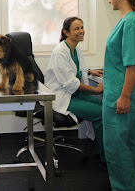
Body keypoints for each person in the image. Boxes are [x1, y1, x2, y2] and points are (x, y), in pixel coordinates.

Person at [103, 0, 135, 191]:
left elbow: (132, 65)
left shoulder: (130, 22)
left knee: (116, 148)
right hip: (122, 92)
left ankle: (125, 187)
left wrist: (125, 96)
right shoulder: (131, 19)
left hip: (120, 97)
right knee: (130, 143)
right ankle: (134, 184)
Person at [44, 16, 106, 166]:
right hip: (62, 97)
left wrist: (89, 71)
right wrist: (96, 90)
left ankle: (102, 150)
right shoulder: (60, 52)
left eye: (82, 27)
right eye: (76, 28)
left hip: (73, 94)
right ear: (66, 32)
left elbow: (73, 69)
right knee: (100, 113)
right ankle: (104, 155)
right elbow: (70, 82)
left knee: (105, 108)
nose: (81, 31)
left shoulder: (75, 48)